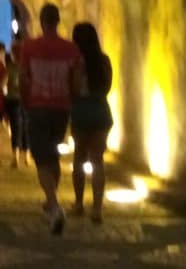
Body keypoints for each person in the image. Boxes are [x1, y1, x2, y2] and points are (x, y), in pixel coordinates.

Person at [18, 2, 82, 235]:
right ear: (57, 22)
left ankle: (54, 205)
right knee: (52, 152)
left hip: (38, 105)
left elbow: (24, 78)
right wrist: (70, 100)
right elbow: (75, 80)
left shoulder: (30, 47)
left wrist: (25, 101)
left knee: (41, 156)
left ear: (42, 22)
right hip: (61, 107)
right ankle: (50, 200)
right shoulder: (71, 49)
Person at [68, 23, 114, 224]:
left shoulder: (77, 62)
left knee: (79, 158)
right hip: (101, 110)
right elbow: (107, 87)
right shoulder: (104, 61)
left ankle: (79, 204)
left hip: (82, 111)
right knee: (98, 160)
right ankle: (97, 208)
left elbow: (76, 89)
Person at [3, 42, 27, 168]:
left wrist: (6, 93)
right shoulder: (27, 67)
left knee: (16, 127)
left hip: (13, 100)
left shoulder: (10, 68)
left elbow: (3, 84)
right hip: (26, 100)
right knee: (26, 127)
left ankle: (16, 157)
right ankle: (27, 157)